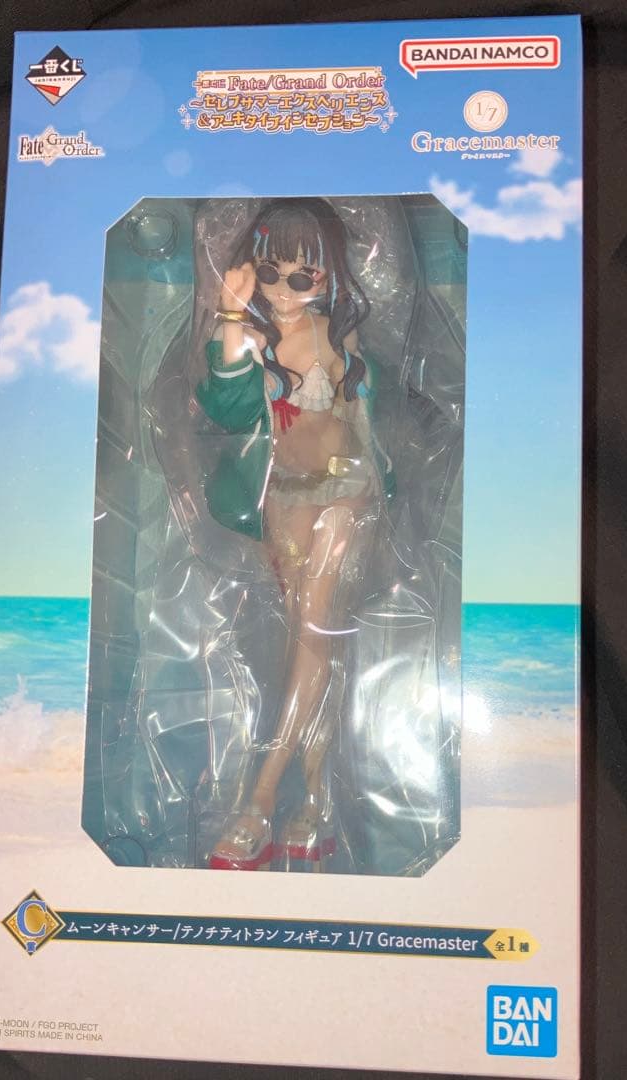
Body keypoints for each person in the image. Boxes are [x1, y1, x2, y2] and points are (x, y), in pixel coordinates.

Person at [196, 198, 394, 870]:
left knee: (312, 634)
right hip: (280, 497)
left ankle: (258, 799)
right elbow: (227, 408)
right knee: (311, 648)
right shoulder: (249, 337)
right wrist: (229, 315)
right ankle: (315, 801)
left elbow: (365, 420)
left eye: (303, 276)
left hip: (346, 492)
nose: (283, 289)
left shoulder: (339, 337)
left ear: (329, 277)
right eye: (269, 272)